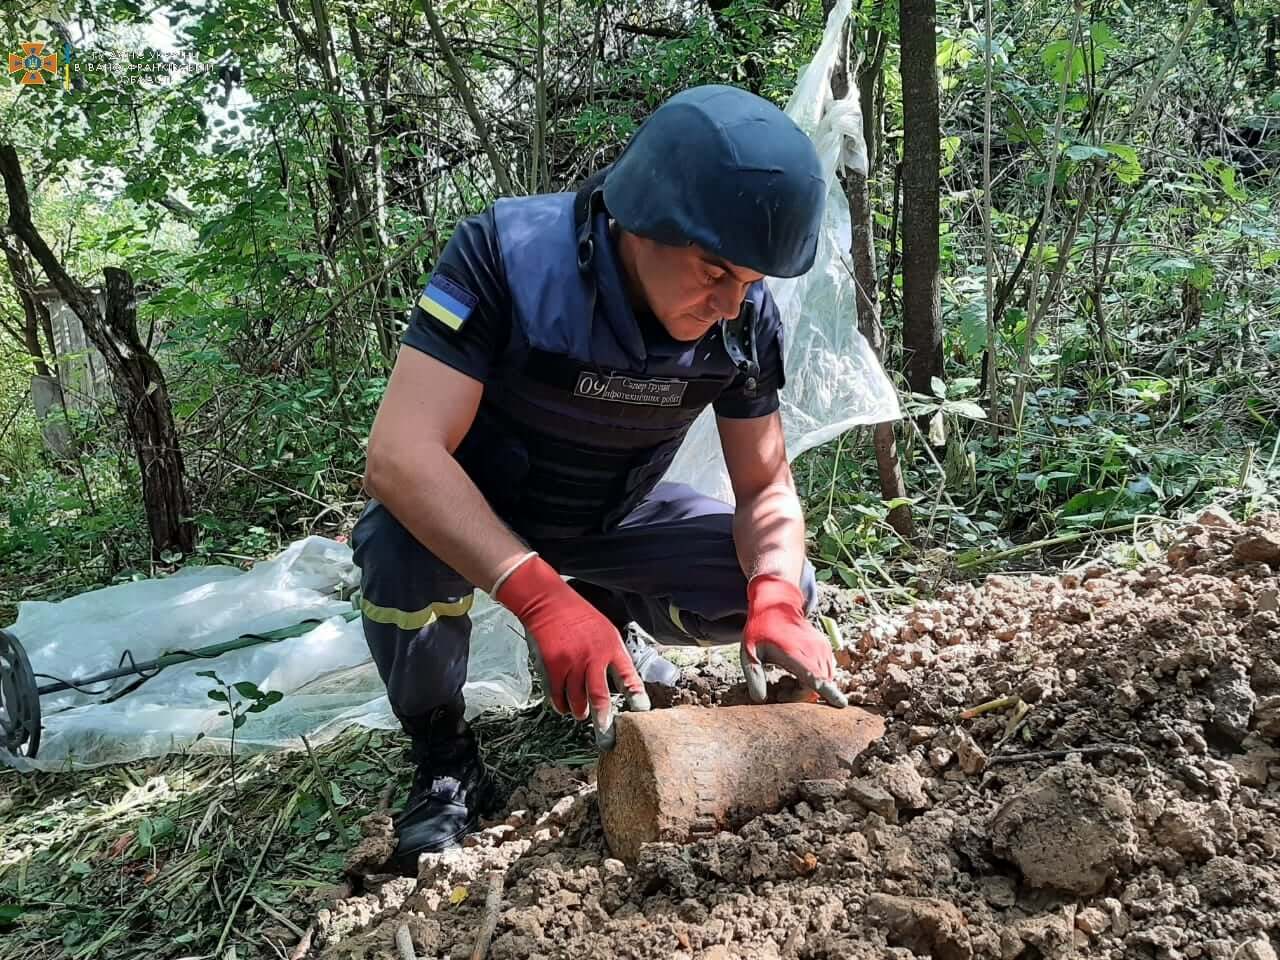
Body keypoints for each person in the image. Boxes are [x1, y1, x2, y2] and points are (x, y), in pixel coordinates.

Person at [352, 83, 847, 873]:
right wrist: (539, 597)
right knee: (395, 546)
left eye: (749, 282)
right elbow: (400, 455)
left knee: (776, 580)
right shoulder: (506, 257)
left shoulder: (745, 317)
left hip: (616, 515)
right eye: (714, 270)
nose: (729, 304)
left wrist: (777, 599)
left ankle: (612, 622)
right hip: (481, 513)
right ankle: (443, 757)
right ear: (637, 218)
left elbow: (764, 489)